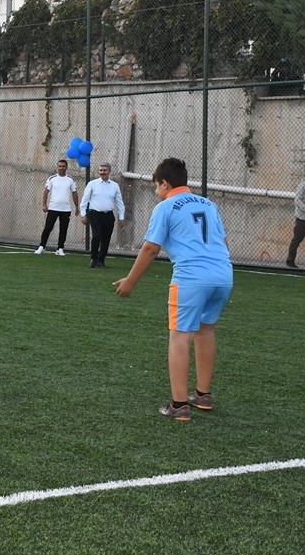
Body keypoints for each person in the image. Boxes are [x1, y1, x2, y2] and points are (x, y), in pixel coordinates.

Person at [114, 157, 233, 422]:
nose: (157, 192)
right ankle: (202, 394)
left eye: (157, 186)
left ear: (165, 183)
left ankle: (179, 405)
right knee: (206, 330)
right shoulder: (210, 205)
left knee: (180, 337)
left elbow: (150, 248)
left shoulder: (165, 207)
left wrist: (130, 281)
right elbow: (222, 241)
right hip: (223, 274)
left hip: (192, 277)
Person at [79, 163, 127, 268]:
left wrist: (121, 217)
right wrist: (83, 214)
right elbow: (84, 200)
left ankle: (101, 260)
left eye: (104, 170)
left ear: (109, 171)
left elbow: (119, 202)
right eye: (100, 170)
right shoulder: (92, 184)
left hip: (108, 215)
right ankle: (93, 258)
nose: (102, 172)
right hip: (94, 214)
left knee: (106, 238)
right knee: (96, 236)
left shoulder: (115, 186)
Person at [36, 158, 79, 255]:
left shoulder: (71, 180)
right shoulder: (52, 179)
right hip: (53, 208)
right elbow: (46, 192)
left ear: (66, 167)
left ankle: (60, 248)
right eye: (60, 166)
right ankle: (42, 246)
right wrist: (44, 204)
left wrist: (77, 207)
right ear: (57, 167)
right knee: (48, 228)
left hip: (66, 209)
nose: (61, 168)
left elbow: (74, 193)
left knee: (63, 229)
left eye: (63, 166)